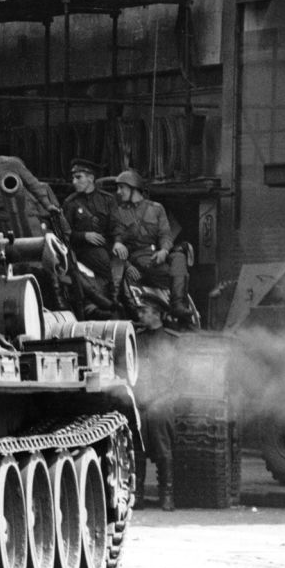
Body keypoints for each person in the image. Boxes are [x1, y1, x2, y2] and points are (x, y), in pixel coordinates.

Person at [111, 169, 191, 322]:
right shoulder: (119, 212)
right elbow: (116, 240)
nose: (118, 192)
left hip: (157, 255)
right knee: (178, 275)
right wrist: (126, 262)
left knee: (180, 257)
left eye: (122, 187)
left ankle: (177, 305)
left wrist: (164, 251)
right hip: (138, 257)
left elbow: (165, 234)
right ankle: (173, 307)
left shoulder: (156, 208)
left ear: (133, 188)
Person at [133, 295, 181, 511]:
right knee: (136, 434)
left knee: (159, 421)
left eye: (144, 311)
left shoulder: (172, 340)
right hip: (141, 398)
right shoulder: (136, 339)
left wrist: (161, 397)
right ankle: (137, 494)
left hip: (164, 398)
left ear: (156, 313)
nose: (140, 315)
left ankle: (167, 494)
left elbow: (179, 376)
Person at [62, 157, 118, 310]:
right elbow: (64, 234)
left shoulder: (108, 200)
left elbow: (116, 226)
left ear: (91, 178)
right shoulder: (70, 203)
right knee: (104, 261)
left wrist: (118, 243)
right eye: (73, 178)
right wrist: (84, 236)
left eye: (78, 177)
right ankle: (110, 304)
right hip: (83, 249)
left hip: (107, 246)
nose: (74, 181)